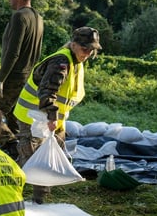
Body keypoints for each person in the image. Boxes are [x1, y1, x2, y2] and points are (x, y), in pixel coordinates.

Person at [13, 26, 101, 203]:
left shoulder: (75, 62)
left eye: (92, 50)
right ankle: (16, 194)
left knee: (46, 158)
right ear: (74, 45)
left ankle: (40, 198)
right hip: (34, 117)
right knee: (33, 158)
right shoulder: (60, 62)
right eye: (85, 49)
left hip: (49, 117)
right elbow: (47, 91)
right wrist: (52, 117)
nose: (88, 53)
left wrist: (56, 119)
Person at [0, 0, 43, 157]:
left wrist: (0, 80)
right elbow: (37, 52)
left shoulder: (19, 17)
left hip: (13, 77)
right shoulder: (38, 18)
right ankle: (23, 150)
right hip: (27, 76)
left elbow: (13, 53)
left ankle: (12, 147)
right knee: (14, 117)